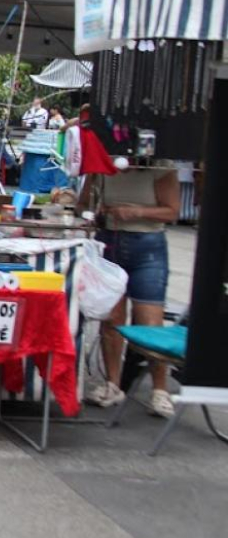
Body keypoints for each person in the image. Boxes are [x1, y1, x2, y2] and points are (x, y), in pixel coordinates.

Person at [85, 165, 180, 417]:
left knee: (150, 320)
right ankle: (113, 384)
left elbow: (172, 211)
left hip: (147, 245)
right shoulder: (103, 166)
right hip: (110, 240)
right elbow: (86, 203)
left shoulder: (160, 167)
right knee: (112, 319)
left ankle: (160, 390)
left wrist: (135, 211)